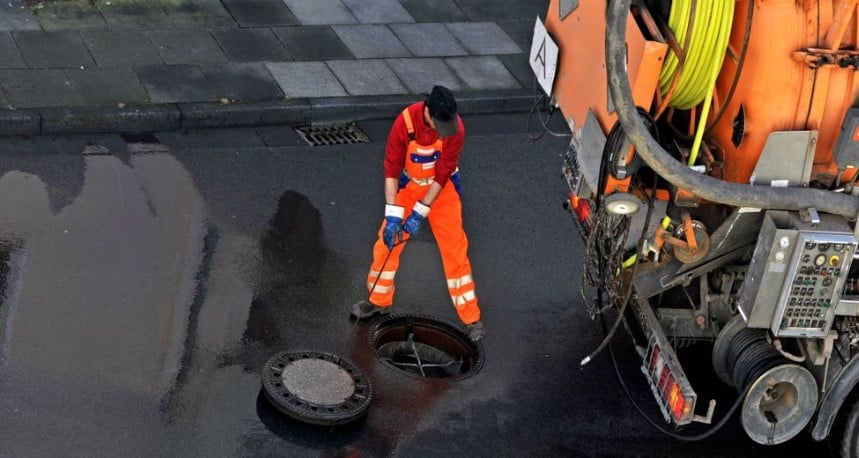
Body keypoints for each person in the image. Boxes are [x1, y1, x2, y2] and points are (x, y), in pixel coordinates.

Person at [351, 85, 484, 342]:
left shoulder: (455, 128)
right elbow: (391, 170)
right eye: (440, 125)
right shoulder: (405, 123)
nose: (444, 132)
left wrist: (419, 213)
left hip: (441, 190)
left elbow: (444, 172)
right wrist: (393, 217)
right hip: (409, 186)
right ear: (428, 113)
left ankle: (471, 317)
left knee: (455, 248)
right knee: (386, 243)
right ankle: (378, 299)